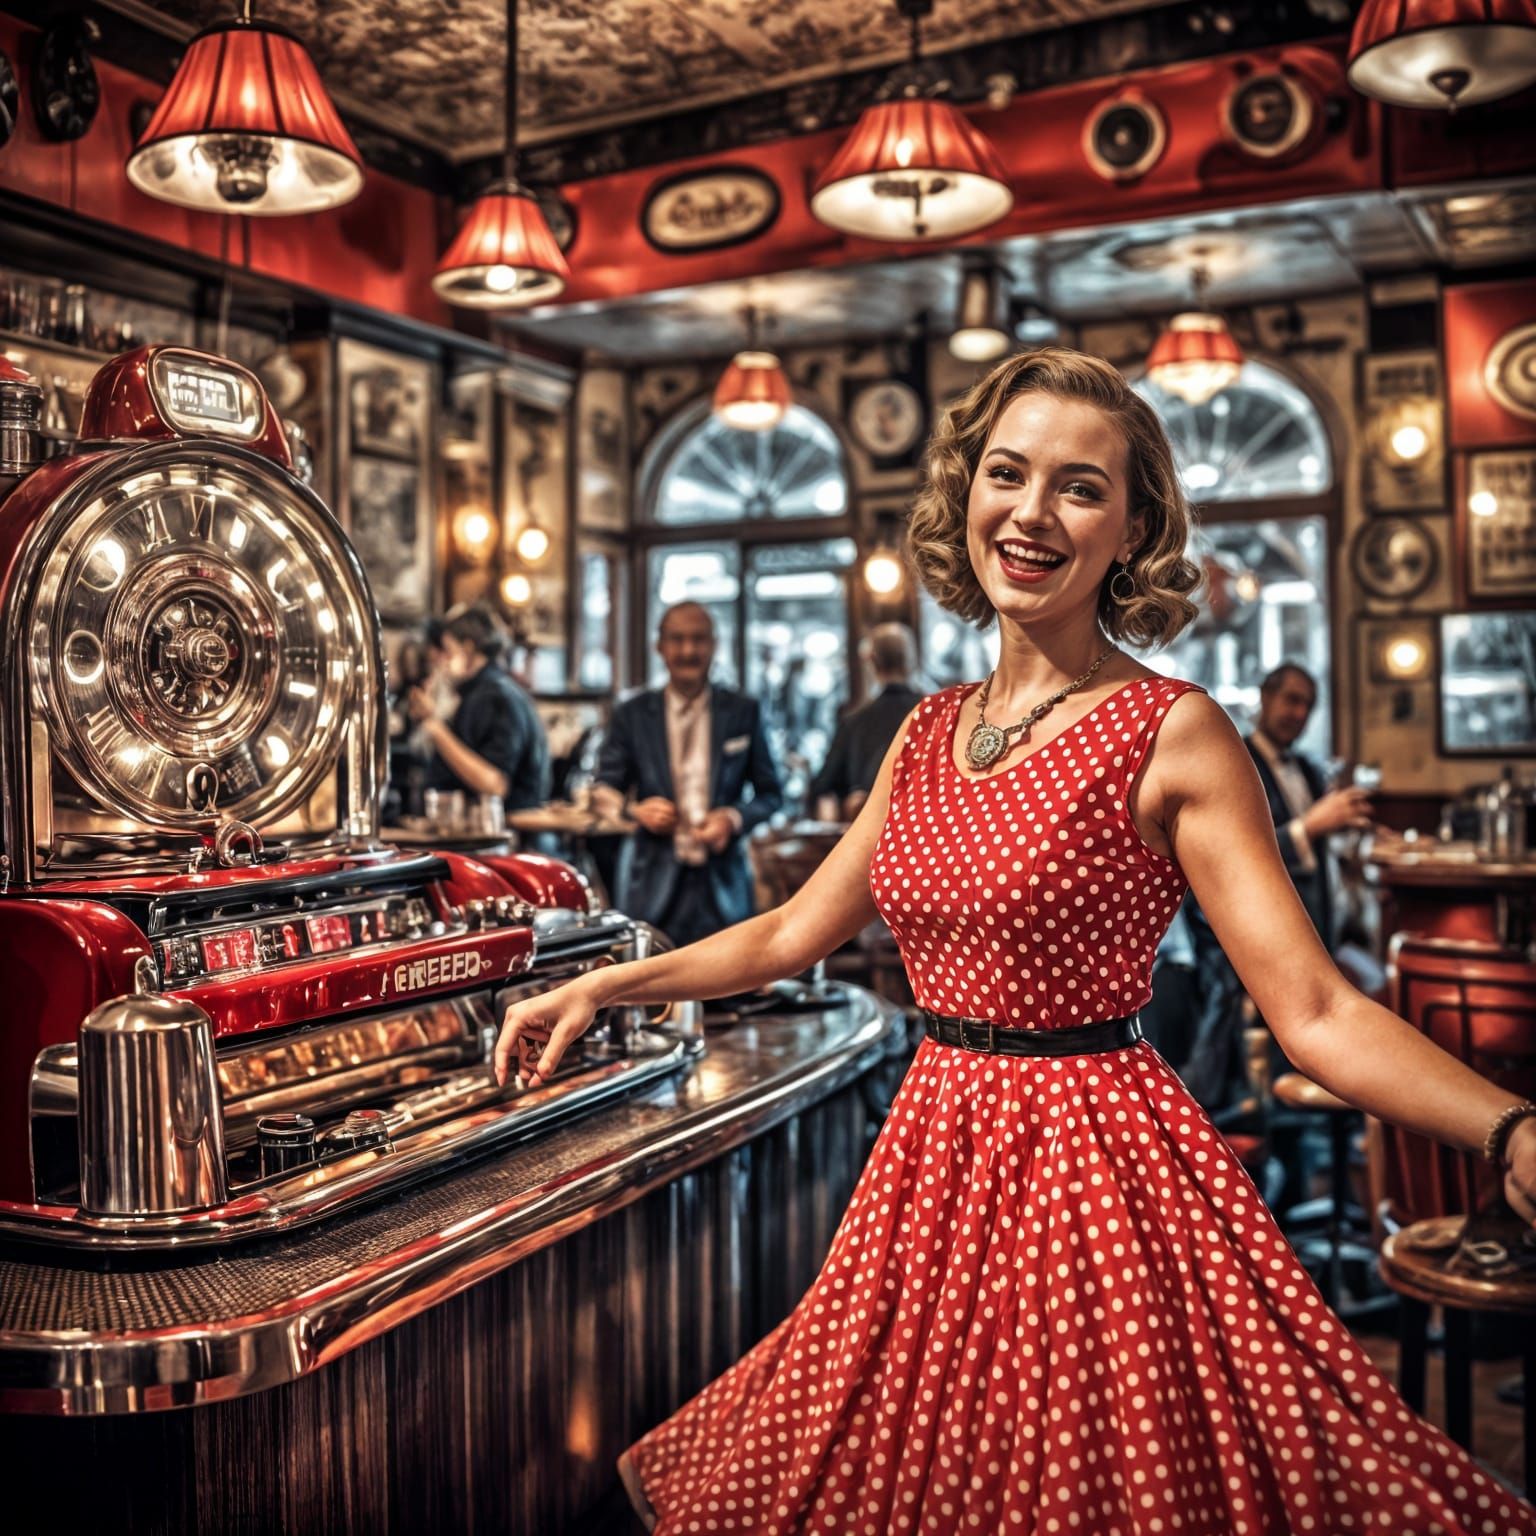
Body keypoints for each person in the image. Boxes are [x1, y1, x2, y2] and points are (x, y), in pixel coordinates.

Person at [495, 348, 1536, 1535]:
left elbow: (1317, 1011)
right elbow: (789, 933)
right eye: (1008, 474)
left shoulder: (1174, 730)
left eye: (1080, 488)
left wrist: (1510, 1129)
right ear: (967, 494)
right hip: (931, 1160)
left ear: (1132, 530)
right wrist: (606, 985)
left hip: (1094, 1169)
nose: (1032, 513)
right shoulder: (927, 730)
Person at [593, 601, 783, 948]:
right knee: (653, 977)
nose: (688, 651)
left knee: (729, 976)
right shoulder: (631, 713)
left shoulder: (744, 711)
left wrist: (733, 818)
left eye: (698, 639)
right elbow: (603, 788)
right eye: (677, 639)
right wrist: (636, 811)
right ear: (660, 646)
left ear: (714, 644)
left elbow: (772, 794)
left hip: (723, 885)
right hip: (651, 884)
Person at [410, 605, 550, 813]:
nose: (441, 661)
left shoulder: (494, 696)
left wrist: (433, 725)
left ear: (467, 649)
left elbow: (495, 784)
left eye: (448, 651)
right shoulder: (486, 692)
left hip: (499, 828)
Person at [806, 621, 926, 819]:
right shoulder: (936, 714)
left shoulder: (854, 722)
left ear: (872, 661)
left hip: (871, 833)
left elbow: (823, 785)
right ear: (911, 660)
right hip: (927, 826)